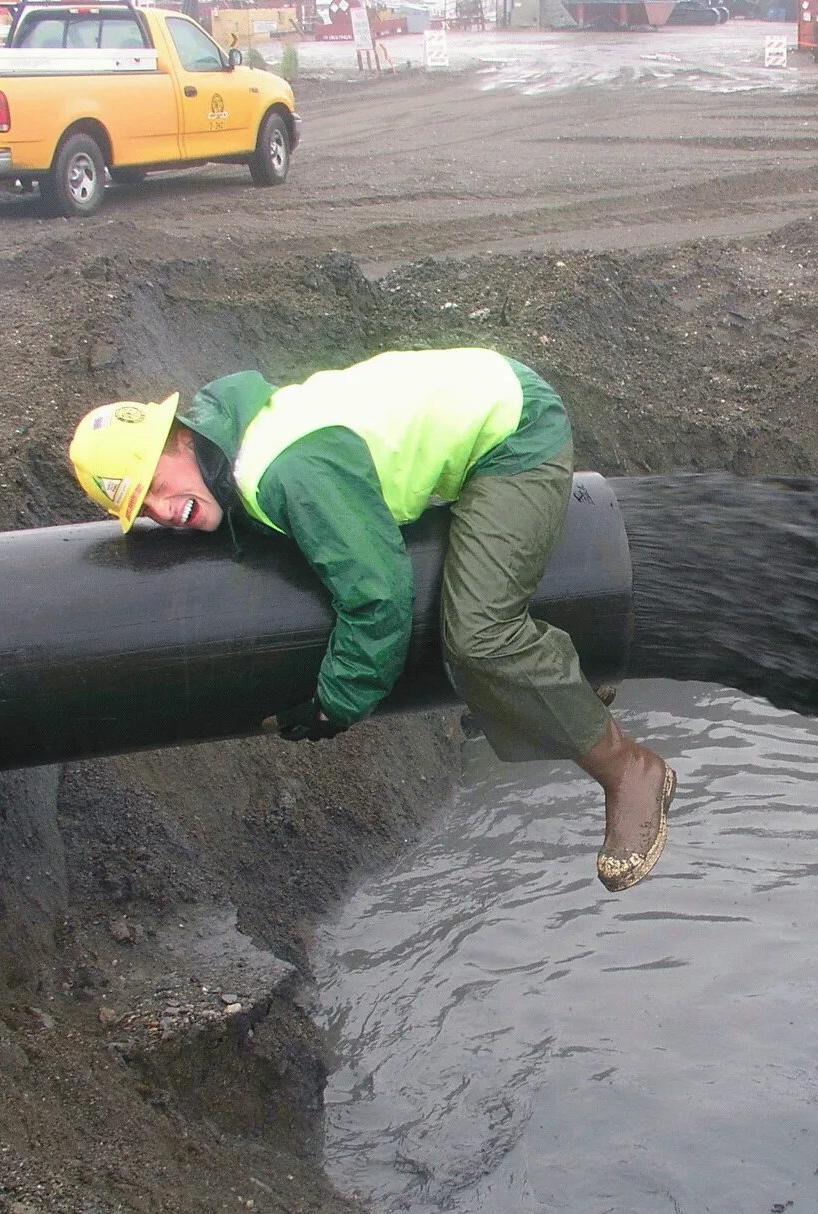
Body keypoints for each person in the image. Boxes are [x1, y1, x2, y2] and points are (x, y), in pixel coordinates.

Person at [67, 347, 675, 893]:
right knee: (478, 615)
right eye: (140, 509)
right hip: (479, 395)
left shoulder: (285, 471)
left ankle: (630, 769)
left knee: (480, 636)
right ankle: (568, 685)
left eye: (154, 484)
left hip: (514, 430)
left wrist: (337, 703)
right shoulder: (237, 441)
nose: (160, 510)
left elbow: (380, 597)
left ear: (178, 439)